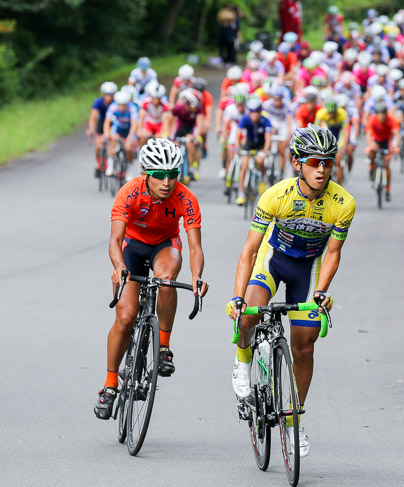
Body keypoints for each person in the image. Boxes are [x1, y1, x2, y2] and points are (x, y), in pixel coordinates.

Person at [226, 123, 355, 457]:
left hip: (306, 272)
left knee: (305, 347)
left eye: (328, 161)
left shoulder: (343, 203)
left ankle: (293, 421)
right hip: (273, 261)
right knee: (247, 320)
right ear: (298, 162)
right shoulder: (276, 195)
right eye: (314, 162)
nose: (322, 169)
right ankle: (242, 362)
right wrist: (238, 297)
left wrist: (321, 292)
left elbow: (333, 254)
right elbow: (250, 250)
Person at [94, 138, 209, 420]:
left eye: (173, 174)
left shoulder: (185, 198)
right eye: (159, 175)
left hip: (164, 245)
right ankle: (109, 385)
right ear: (146, 173)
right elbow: (115, 240)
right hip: (131, 247)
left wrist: (196, 277)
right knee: (126, 316)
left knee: (167, 278)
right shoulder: (129, 192)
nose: (167, 181)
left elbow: (195, 247)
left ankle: (164, 346)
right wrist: (119, 266)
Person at [236, 97, 272, 204]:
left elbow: (268, 137)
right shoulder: (245, 119)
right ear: (249, 112)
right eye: (252, 112)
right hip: (249, 143)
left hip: (261, 144)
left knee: (260, 160)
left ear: (260, 111)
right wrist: (237, 147)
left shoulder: (265, 121)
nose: (254, 114)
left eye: (256, 112)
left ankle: (261, 178)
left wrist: (266, 149)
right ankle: (241, 192)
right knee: (244, 166)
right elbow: (238, 134)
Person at [365, 102, 400, 202]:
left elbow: (397, 135)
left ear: (385, 113)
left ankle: (388, 190)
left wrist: (395, 146)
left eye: (382, 114)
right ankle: (372, 168)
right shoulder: (372, 119)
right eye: (378, 114)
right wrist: (370, 145)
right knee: (371, 153)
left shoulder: (391, 120)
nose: (380, 116)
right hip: (376, 140)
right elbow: (368, 135)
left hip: (386, 141)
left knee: (387, 164)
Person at [103, 90, 139, 177]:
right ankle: (110, 167)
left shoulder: (132, 108)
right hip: (118, 129)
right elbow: (107, 122)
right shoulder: (112, 107)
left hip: (128, 129)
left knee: (128, 148)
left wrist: (130, 138)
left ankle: (128, 172)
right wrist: (106, 133)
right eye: (119, 105)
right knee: (113, 141)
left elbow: (134, 124)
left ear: (127, 104)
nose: (121, 107)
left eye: (123, 105)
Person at [87, 81, 118, 177]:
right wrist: (91, 128)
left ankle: (111, 163)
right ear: (103, 94)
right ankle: (98, 164)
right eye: (107, 95)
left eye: (111, 95)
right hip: (101, 123)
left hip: (112, 123)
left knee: (113, 143)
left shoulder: (116, 103)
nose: (109, 97)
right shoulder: (98, 102)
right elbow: (93, 116)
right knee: (99, 146)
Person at [137, 81, 170, 148]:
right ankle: (141, 154)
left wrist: (162, 133)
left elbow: (165, 120)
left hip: (159, 125)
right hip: (150, 124)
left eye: (158, 98)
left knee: (161, 140)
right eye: (154, 98)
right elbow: (141, 117)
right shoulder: (146, 103)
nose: (156, 100)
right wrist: (139, 130)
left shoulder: (164, 105)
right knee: (143, 138)